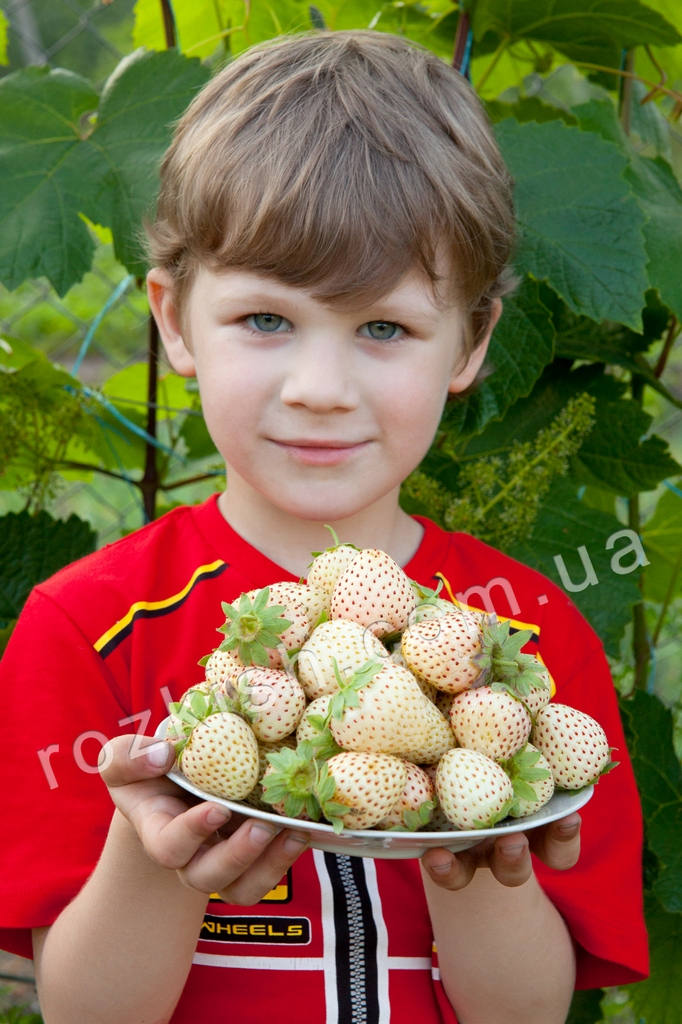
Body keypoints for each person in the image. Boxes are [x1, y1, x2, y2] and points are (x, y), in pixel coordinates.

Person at [0, 30, 648, 1024]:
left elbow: (525, 1013)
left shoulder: (525, 641)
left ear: (471, 341)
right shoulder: (87, 626)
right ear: (174, 321)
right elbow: (86, 1012)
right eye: (266, 320)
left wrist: (471, 857)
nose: (318, 389)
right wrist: (154, 854)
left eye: (383, 328)